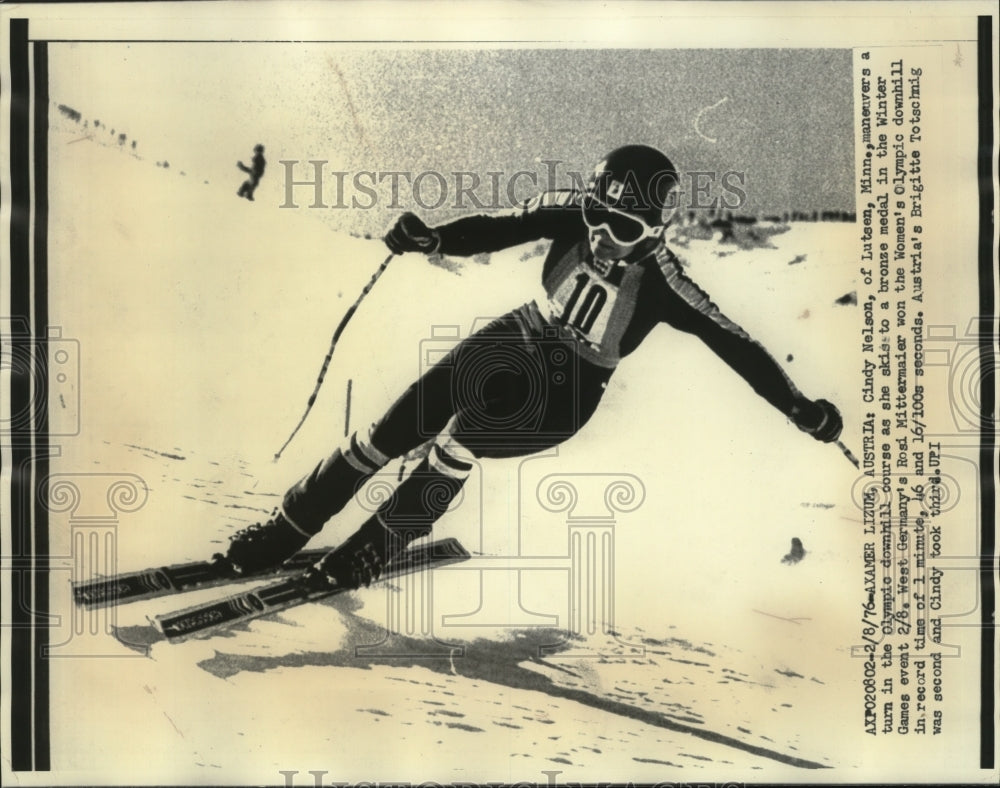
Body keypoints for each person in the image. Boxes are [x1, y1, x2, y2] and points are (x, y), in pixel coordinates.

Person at [220, 144, 843, 588]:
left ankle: (372, 549)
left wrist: (800, 408)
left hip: (569, 385)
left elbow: (738, 345)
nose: (599, 233)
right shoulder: (575, 212)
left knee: (460, 440)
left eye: (620, 225)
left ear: (653, 231)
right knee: (396, 425)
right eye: (595, 214)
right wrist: (433, 238)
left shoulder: (663, 281)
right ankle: (286, 528)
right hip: (523, 331)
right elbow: (498, 228)